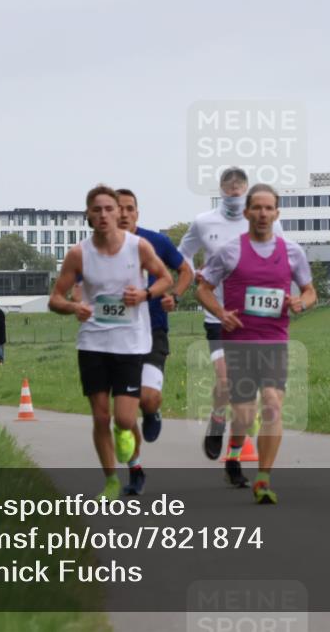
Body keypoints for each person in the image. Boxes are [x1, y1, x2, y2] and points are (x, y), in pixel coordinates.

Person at [49, 184, 172, 500]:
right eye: (96, 210)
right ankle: (112, 480)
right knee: (101, 416)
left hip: (130, 344)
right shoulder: (79, 254)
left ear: (119, 213)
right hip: (93, 343)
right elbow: (54, 299)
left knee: (126, 419)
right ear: (88, 216)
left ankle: (133, 458)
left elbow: (165, 279)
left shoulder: (139, 247)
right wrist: (75, 306)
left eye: (109, 209)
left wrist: (145, 294)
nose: (103, 215)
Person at [196, 183, 316, 503]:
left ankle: (263, 479)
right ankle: (234, 455)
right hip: (239, 342)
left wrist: (300, 303)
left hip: (275, 342)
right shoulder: (230, 251)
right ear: (247, 212)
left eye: (269, 208)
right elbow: (203, 289)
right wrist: (220, 313)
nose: (263, 214)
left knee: (274, 406)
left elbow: (310, 291)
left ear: (277, 214)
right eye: (257, 208)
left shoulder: (292, 252)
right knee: (245, 417)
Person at [179, 167, 285, 460]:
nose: (235, 194)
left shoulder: (268, 223)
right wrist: (195, 273)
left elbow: (281, 258)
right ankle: (216, 418)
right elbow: (182, 253)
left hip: (254, 317)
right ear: (221, 191)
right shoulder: (204, 222)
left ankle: (236, 449)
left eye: (240, 189)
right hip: (218, 314)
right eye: (230, 189)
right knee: (225, 384)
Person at [113, 188, 194, 495]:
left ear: (137, 213)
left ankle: (153, 411)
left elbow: (185, 271)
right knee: (123, 413)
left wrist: (173, 296)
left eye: (129, 208)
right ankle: (135, 471)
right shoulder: (97, 249)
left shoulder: (156, 243)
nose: (123, 214)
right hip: (115, 339)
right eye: (117, 208)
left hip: (152, 332)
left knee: (148, 398)